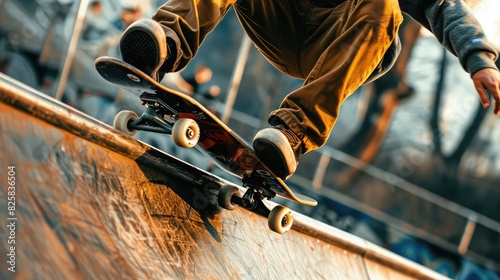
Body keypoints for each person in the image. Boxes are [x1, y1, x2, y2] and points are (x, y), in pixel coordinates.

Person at [117, 0, 500, 180]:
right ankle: (166, 40)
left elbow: (442, 6)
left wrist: (479, 57)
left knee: (386, 8)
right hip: (281, 22)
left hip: (340, 43)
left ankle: (294, 131)